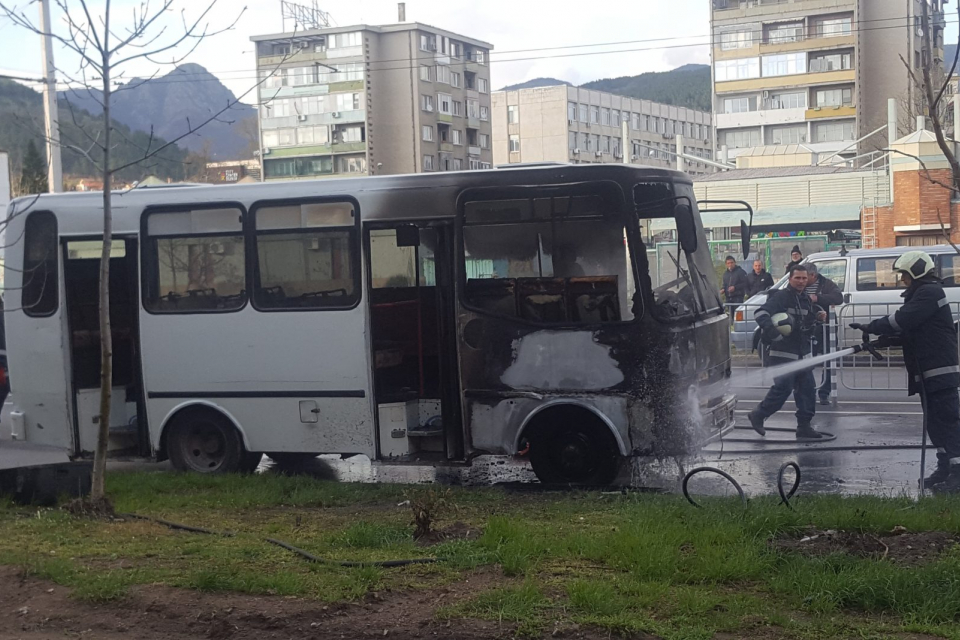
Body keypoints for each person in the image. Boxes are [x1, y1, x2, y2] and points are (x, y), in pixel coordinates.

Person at [851, 251, 960, 492]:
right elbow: (912, 330)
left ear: (916, 272)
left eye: (904, 275)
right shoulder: (922, 293)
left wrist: (873, 326)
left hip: (939, 369)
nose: (902, 280)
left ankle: (958, 473)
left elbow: (902, 320)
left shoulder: (929, 292)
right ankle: (945, 468)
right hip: (927, 370)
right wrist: (884, 341)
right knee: (934, 423)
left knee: (948, 421)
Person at [748, 264, 827, 440]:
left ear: (808, 279)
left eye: (804, 278)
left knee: (807, 391)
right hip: (783, 354)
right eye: (797, 278)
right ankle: (758, 415)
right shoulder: (781, 297)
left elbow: (804, 322)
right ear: (790, 279)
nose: (801, 281)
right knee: (782, 389)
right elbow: (760, 313)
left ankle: (804, 427)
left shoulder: (805, 299)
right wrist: (773, 333)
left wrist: (817, 317)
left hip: (802, 355)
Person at [803, 263, 843, 405]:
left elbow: (838, 298)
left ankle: (824, 393)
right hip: (807, 330)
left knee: (830, 361)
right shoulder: (799, 285)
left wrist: (818, 298)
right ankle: (808, 392)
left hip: (827, 329)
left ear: (813, 275)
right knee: (807, 362)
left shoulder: (827, 284)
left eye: (805, 276)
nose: (802, 280)